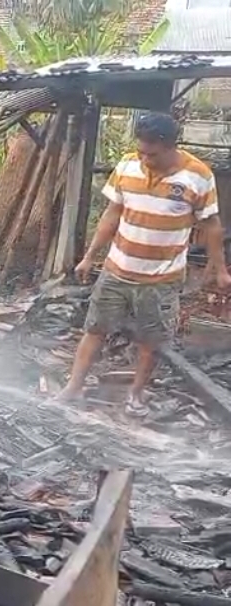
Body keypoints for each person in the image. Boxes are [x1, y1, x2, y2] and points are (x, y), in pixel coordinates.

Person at [59, 112, 231, 414]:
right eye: (140, 151)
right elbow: (112, 213)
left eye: (151, 153)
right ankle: (73, 387)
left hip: (161, 279)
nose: (144, 158)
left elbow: (212, 224)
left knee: (151, 341)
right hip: (116, 271)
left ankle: (135, 395)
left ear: (169, 146)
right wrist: (90, 256)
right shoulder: (127, 165)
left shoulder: (198, 175)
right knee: (95, 329)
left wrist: (219, 269)